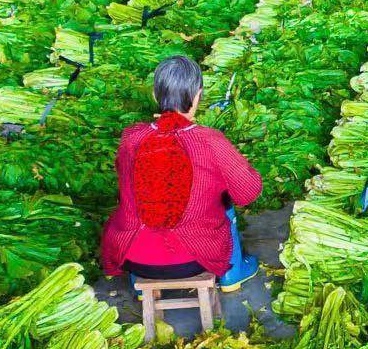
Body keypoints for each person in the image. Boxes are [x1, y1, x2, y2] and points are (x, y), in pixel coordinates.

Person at [100, 56, 262, 289]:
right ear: (198, 95)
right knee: (227, 200)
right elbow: (248, 193)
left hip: (132, 257)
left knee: (138, 198)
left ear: (156, 96)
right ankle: (231, 275)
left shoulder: (131, 138)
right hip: (196, 257)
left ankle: (139, 288)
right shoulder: (210, 141)